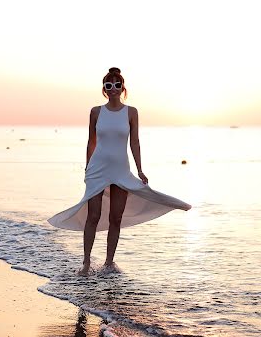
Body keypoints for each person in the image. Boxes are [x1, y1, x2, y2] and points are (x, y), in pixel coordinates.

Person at [47, 67, 191, 276]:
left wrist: (140, 169)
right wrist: (87, 168)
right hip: (97, 170)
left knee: (116, 218)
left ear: (123, 87)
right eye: (108, 85)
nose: (113, 89)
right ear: (104, 89)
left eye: (117, 85)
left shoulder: (131, 112)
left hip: (121, 170)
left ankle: (108, 263)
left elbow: (135, 142)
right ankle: (86, 263)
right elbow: (91, 141)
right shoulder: (96, 111)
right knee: (93, 216)